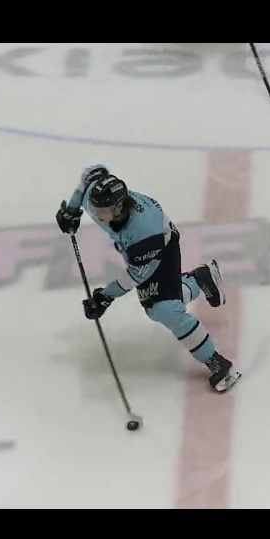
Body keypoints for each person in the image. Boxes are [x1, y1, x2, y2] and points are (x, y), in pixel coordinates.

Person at [55, 165, 242, 393]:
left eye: (101, 210)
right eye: (93, 206)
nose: (95, 213)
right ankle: (199, 279)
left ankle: (217, 362)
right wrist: (71, 211)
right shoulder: (98, 198)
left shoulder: (145, 233)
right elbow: (91, 174)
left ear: (117, 207)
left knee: (163, 309)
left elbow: (135, 275)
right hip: (135, 247)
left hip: (162, 249)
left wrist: (105, 296)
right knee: (155, 304)